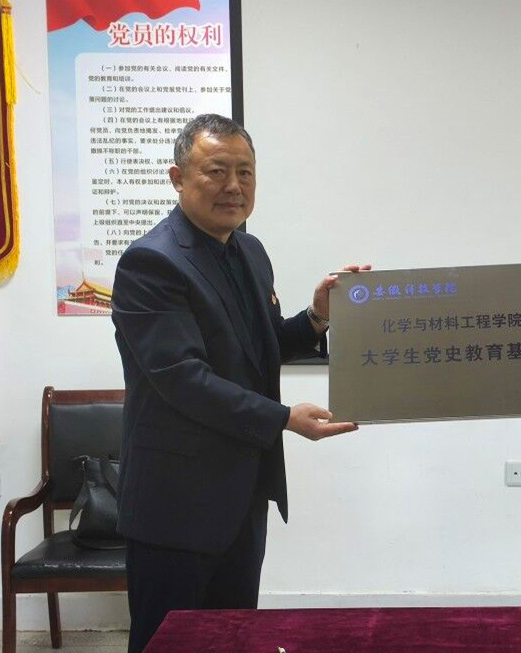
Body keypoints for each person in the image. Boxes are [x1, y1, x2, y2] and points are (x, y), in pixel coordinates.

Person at [112, 113, 365, 651]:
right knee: (168, 643)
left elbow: (259, 348)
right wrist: (283, 419)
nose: (234, 186)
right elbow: (183, 379)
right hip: (175, 505)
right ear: (178, 178)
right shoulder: (150, 262)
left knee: (233, 638)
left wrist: (317, 316)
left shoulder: (249, 251)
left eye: (245, 172)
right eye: (217, 170)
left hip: (243, 494)